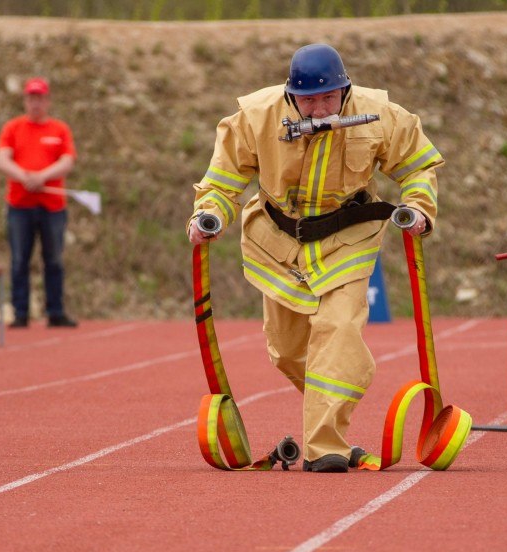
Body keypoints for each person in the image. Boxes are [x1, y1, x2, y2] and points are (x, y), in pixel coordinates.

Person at [187, 44, 443, 472]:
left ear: (346, 89)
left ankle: (326, 448)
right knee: (287, 350)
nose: (321, 108)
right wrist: (208, 214)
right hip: (278, 242)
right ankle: (340, 390)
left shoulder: (379, 113)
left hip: (349, 238)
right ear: (291, 94)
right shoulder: (255, 117)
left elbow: (417, 165)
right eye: (309, 100)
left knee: (338, 329)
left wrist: (417, 205)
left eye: (330, 97)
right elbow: (223, 181)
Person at [0, 77, 78, 328]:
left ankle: (56, 311)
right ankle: (20, 312)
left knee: (53, 259)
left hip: (52, 206)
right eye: (31, 98)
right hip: (20, 205)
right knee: (20, 259)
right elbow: (2, 159)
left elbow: (68, 160)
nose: (35, 103)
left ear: (47, 101)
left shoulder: (59, 129)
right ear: (25, 100)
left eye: (40, 98)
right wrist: (25, 177)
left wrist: (42, 176)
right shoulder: (12, 128)